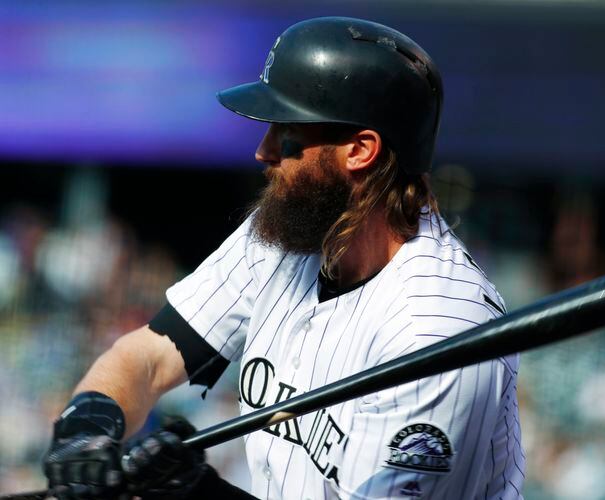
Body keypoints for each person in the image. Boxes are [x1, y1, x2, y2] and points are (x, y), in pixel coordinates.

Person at [43, 16, 525, 499]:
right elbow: (148, 355)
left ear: (360, 150)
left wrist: (204, 496)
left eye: (286, 132)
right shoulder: (288, 233)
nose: (262, 151)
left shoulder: (435, 328)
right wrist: (88, 424)